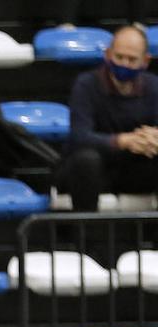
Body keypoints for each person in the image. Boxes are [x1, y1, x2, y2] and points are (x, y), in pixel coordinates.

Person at [58, 25, 158, 211]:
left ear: (145, 61)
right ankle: (85, 229)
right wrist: (123, 141)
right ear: (108, 54)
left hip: (135, 170)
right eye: (119, 57)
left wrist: (152, 138)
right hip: (95, 170)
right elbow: (79, 137)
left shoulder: (153, 86)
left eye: (132, 60)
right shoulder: (86, 84)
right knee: (86, 159)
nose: (124, 64)